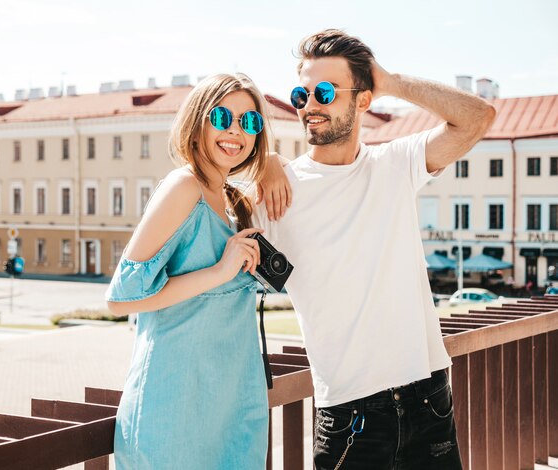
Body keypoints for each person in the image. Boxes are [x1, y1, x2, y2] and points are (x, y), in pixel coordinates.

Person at [255, 29, 496, 469]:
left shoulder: (395, 164)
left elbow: (477, 117)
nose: (309, 105)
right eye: (301, 94)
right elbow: (206, 191)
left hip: (429, 399)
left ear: (363, 101)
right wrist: (266, 158)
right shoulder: (277, 190)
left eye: (324, 92)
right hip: (349, 415)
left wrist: (388, 80)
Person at [105, 73, 271, 469]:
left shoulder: (234, 201)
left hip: (233, 405)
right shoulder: (183, 187)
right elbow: (119, 298)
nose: (236, 131)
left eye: (249, 122)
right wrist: (219, 271)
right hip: (173, 409)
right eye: (222, 118)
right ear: (197, 123)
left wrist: (275, 164)